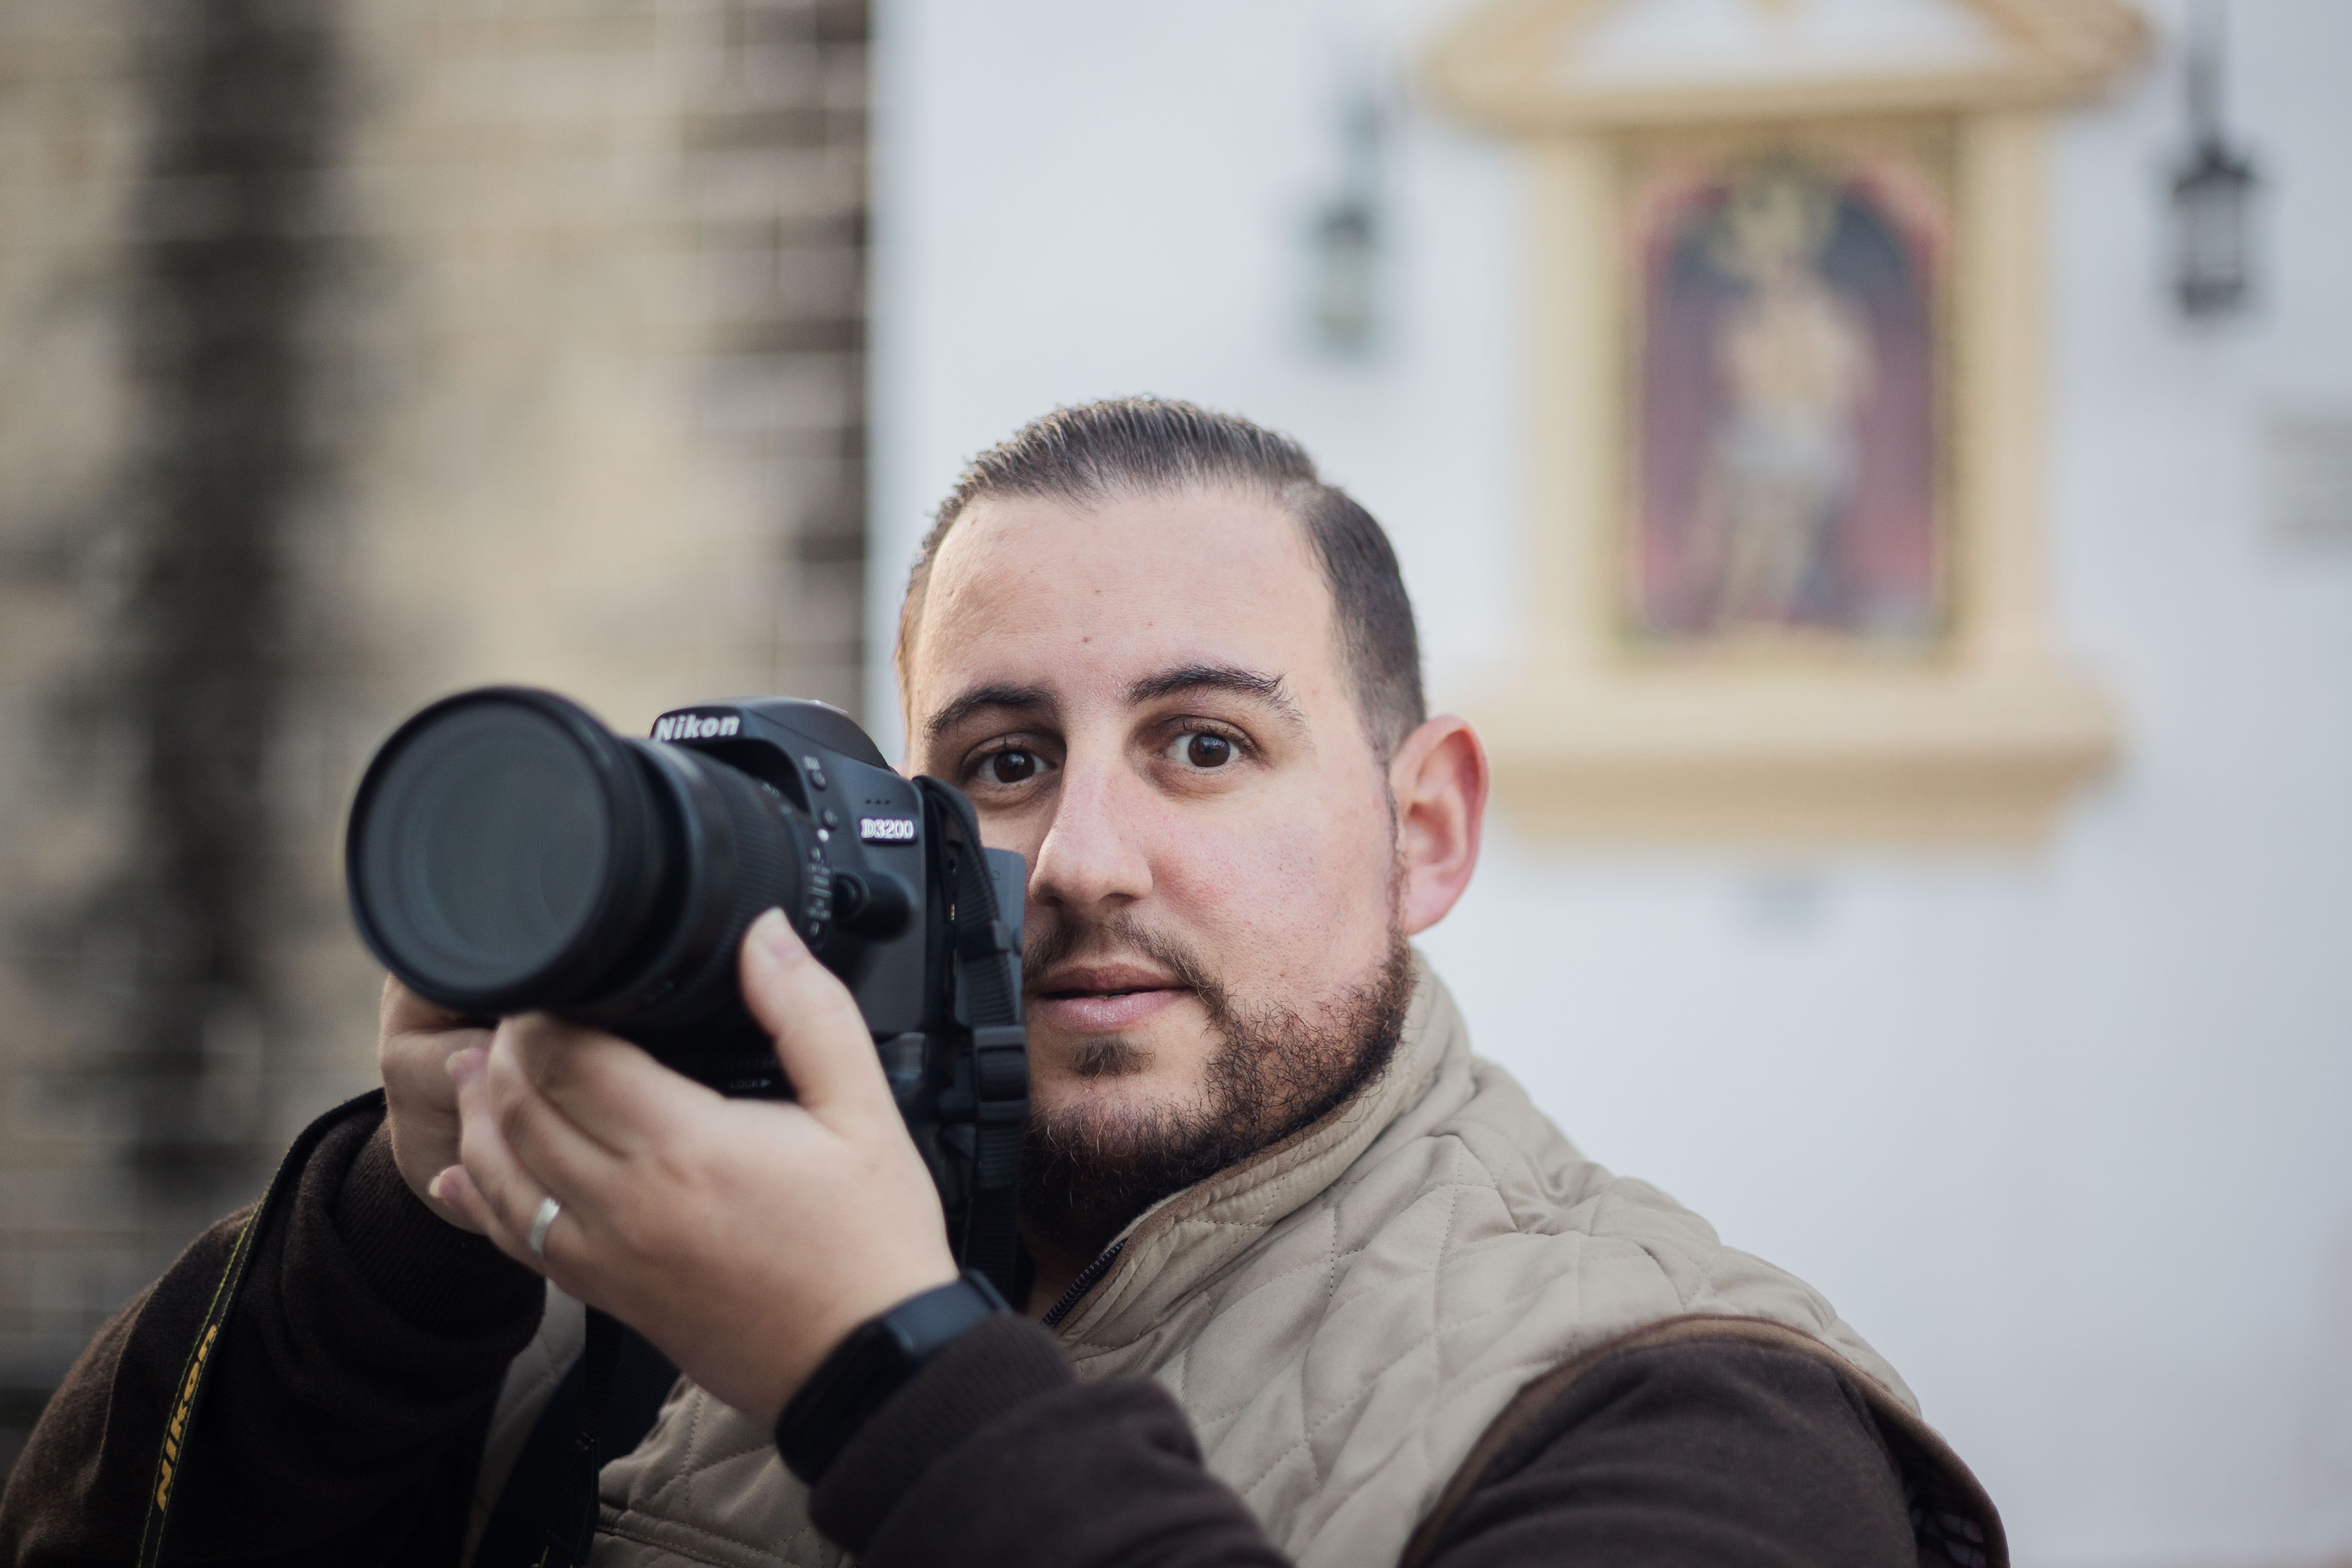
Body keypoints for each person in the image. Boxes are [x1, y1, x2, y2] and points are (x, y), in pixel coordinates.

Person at [0, 398, 2003, 1568]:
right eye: (1004, 764)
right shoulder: (656, 1257)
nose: (1085, 861)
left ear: (1427, 829)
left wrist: (874, 1367)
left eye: (1206, 744)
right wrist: (406, 1236)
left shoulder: (1690, 1407)